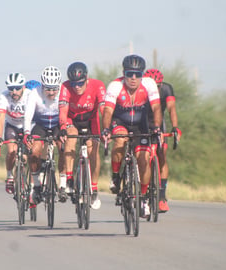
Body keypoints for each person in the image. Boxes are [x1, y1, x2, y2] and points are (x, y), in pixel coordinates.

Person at [101, 55, 162, 218]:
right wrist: (106, 129)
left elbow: (156, 108)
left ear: (142, 74)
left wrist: (156, 127)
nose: (133, 78)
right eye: (129, 74)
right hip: (120, 121)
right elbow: (107, 110)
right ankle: (115, 177)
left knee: (144, 158)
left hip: (140, 124)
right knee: (120, 140)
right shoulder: (115, 86)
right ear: (123, 73)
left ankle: (143, 199)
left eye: (137, 74)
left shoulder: (149, 84)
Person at [58, 62, 106, 209]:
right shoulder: (65, 87)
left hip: (91, 120)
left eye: (80, 83)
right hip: (72, 120)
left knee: (94, 152)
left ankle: (94, 187)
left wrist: (107, 129)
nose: (76, 86)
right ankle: (70, 179)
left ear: (87, 79)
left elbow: (104, 110)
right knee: (70, 137)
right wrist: (62, 128)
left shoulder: (98, 86)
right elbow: (63, 113)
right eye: (74, 83)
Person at [23, 66, 66, 205]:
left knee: (64, 148)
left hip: (57, 125)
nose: (52, 92)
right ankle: (36, 185)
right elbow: (28, 116)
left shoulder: (63, 91)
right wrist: (26, 133)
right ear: (42, 85)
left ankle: (63, 185)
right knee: (34, 152)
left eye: (54, 88)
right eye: (48, 89)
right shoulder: (34, 93)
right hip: (40, 125)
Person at [144, 69, 182, 213]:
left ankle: (161, 197)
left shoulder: (167, 88)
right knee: (141, 154)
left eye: (158, 86)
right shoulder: (140, 90)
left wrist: (175, 127)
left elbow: (171, 108)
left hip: (158, 122)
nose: (156, 89)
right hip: (142, 122)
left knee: (162, 154)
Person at [0, 73, 31, 194]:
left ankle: (28, 179)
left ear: (23, 87)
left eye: (17, 88)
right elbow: (0, 118)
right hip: (12, 126)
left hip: (27, 125)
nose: (14, 91)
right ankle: (10, 176)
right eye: (11, 88)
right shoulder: (4, 96)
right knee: (11, 151)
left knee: (29, 154)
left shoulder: (29, 95)